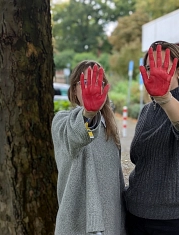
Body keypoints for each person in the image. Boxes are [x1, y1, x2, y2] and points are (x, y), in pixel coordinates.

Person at [124, 41, 179, 234]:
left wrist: (165, 98)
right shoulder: (146, 111)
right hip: (137, 215)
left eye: (161, 67)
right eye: (149, 68)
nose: (153, 73)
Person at [51, 61, 126, 234]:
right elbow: (76, 136)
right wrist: (89, 113)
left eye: (97, 82)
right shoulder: (62, 122)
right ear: (73, 89)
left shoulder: (109, 128)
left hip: (109, 226)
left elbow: (117, 182)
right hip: (76, 225)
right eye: (84, 82)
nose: (90, 88)